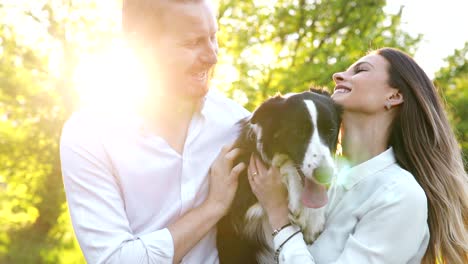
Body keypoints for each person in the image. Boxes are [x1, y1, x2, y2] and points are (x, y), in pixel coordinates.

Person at [60, 0, 250, 263]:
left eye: (212, 37)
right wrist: (212, 208)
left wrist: (326, 117)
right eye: (192, 43)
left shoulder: (237, 123)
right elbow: (115, 259)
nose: (212, 55)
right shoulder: (89, 135)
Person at [247, 47, 468, 263]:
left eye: (360, 70)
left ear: (394, 95)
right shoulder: (318, 182)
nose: (337, 75)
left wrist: (279, 217)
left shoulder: (401, 195)